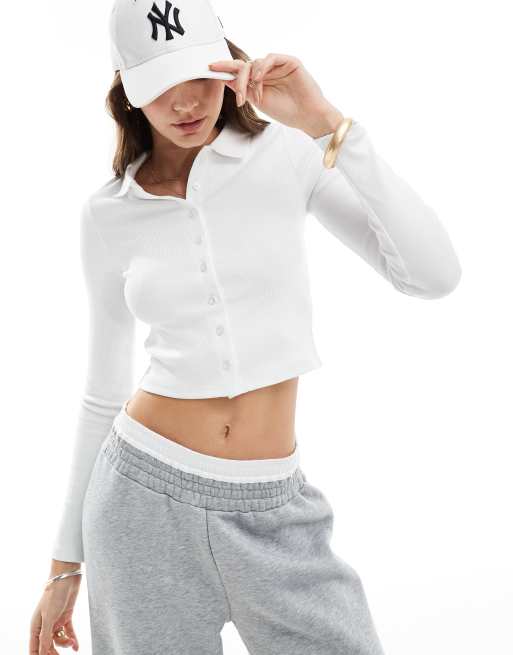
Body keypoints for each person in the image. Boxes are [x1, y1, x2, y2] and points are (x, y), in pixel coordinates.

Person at [30, 0, 462, 653]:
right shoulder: (107, 213)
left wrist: (327, 125)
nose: (185, 102)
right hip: (141, 501)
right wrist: (65, 563)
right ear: (128, 92)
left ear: (230, 66)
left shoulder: (286, 154)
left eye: (199, 75)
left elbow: (432, 275)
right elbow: (101, 390)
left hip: (275, 508)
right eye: (161, 85)